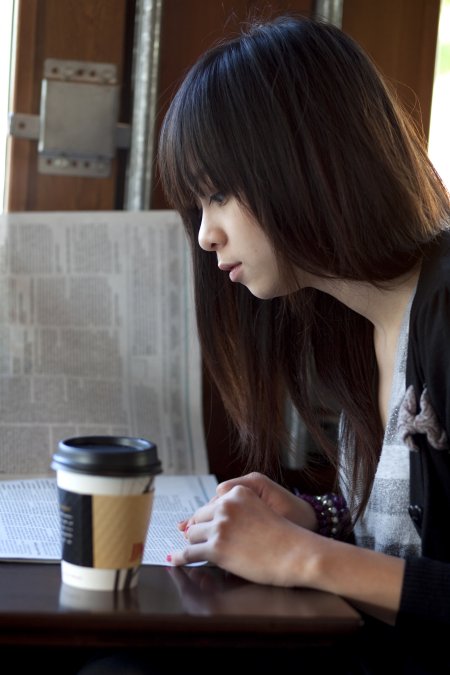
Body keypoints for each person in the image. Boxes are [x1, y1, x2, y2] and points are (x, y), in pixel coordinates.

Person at [157, 12, 450, 674]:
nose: (205, 235)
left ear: (307, 160)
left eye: (220, 193)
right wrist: (315, 516)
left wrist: (302, 555)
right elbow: (412, 539)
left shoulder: (444, 312)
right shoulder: (357, 323)